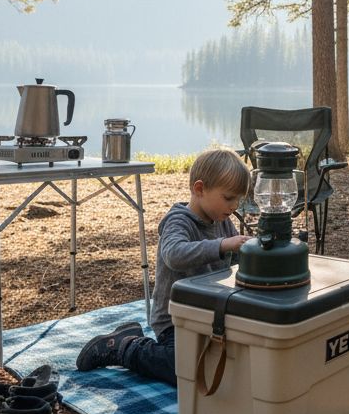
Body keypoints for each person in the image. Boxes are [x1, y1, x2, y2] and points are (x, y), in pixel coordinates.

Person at [75, 148, 250, 383]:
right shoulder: (178, 221)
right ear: (199, 189)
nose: (235, 205)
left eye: (239, 199)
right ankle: (124, 346)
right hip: (174, 320)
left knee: (233, 360)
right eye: (229, 198)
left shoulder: (223, 222)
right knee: (185, 369)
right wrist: (222, 245)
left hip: (208, 316)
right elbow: (174, 254)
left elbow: (236, 263)